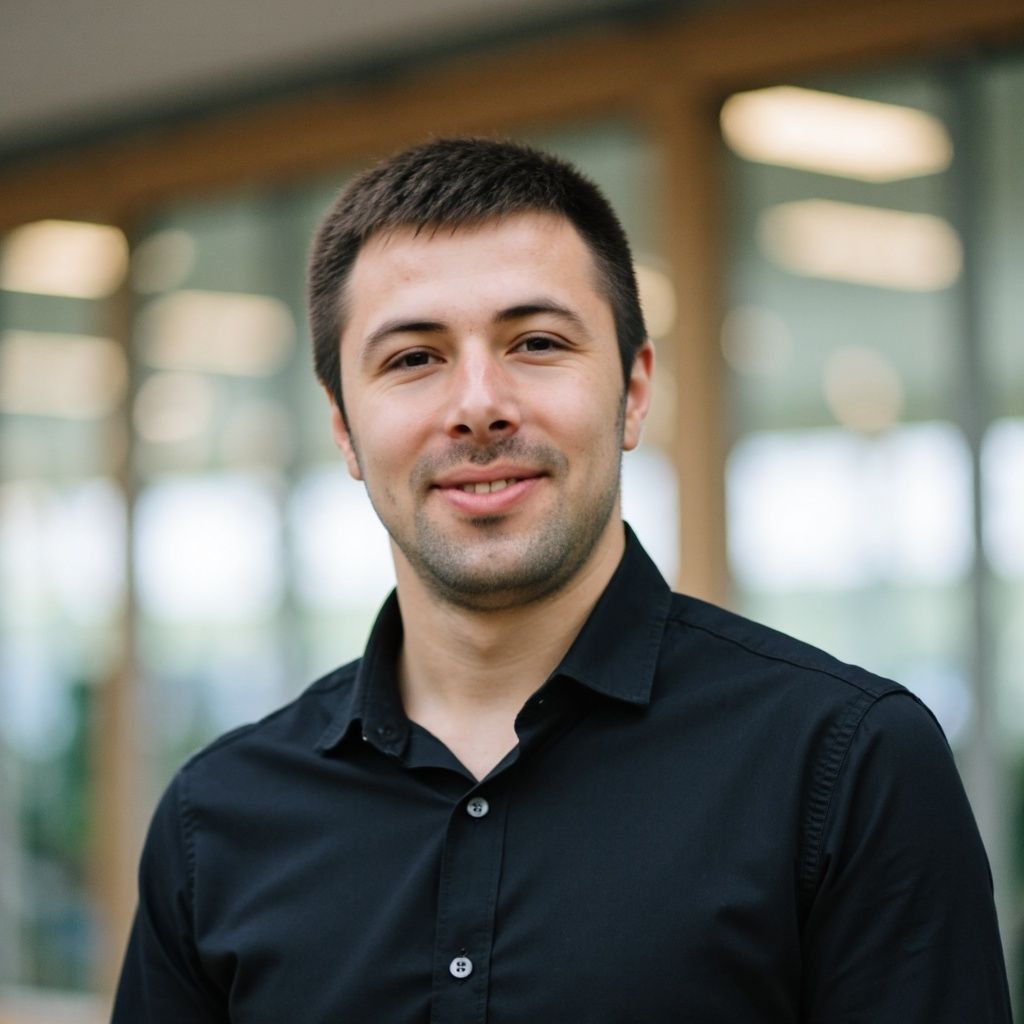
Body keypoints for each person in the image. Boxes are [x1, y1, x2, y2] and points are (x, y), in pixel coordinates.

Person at [112, 137, 1011, 1022]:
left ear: (633, 391)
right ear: (344, 430)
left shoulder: (846, 763)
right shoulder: (216, 820)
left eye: (536, 342)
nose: (477, 406)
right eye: (413, 358)